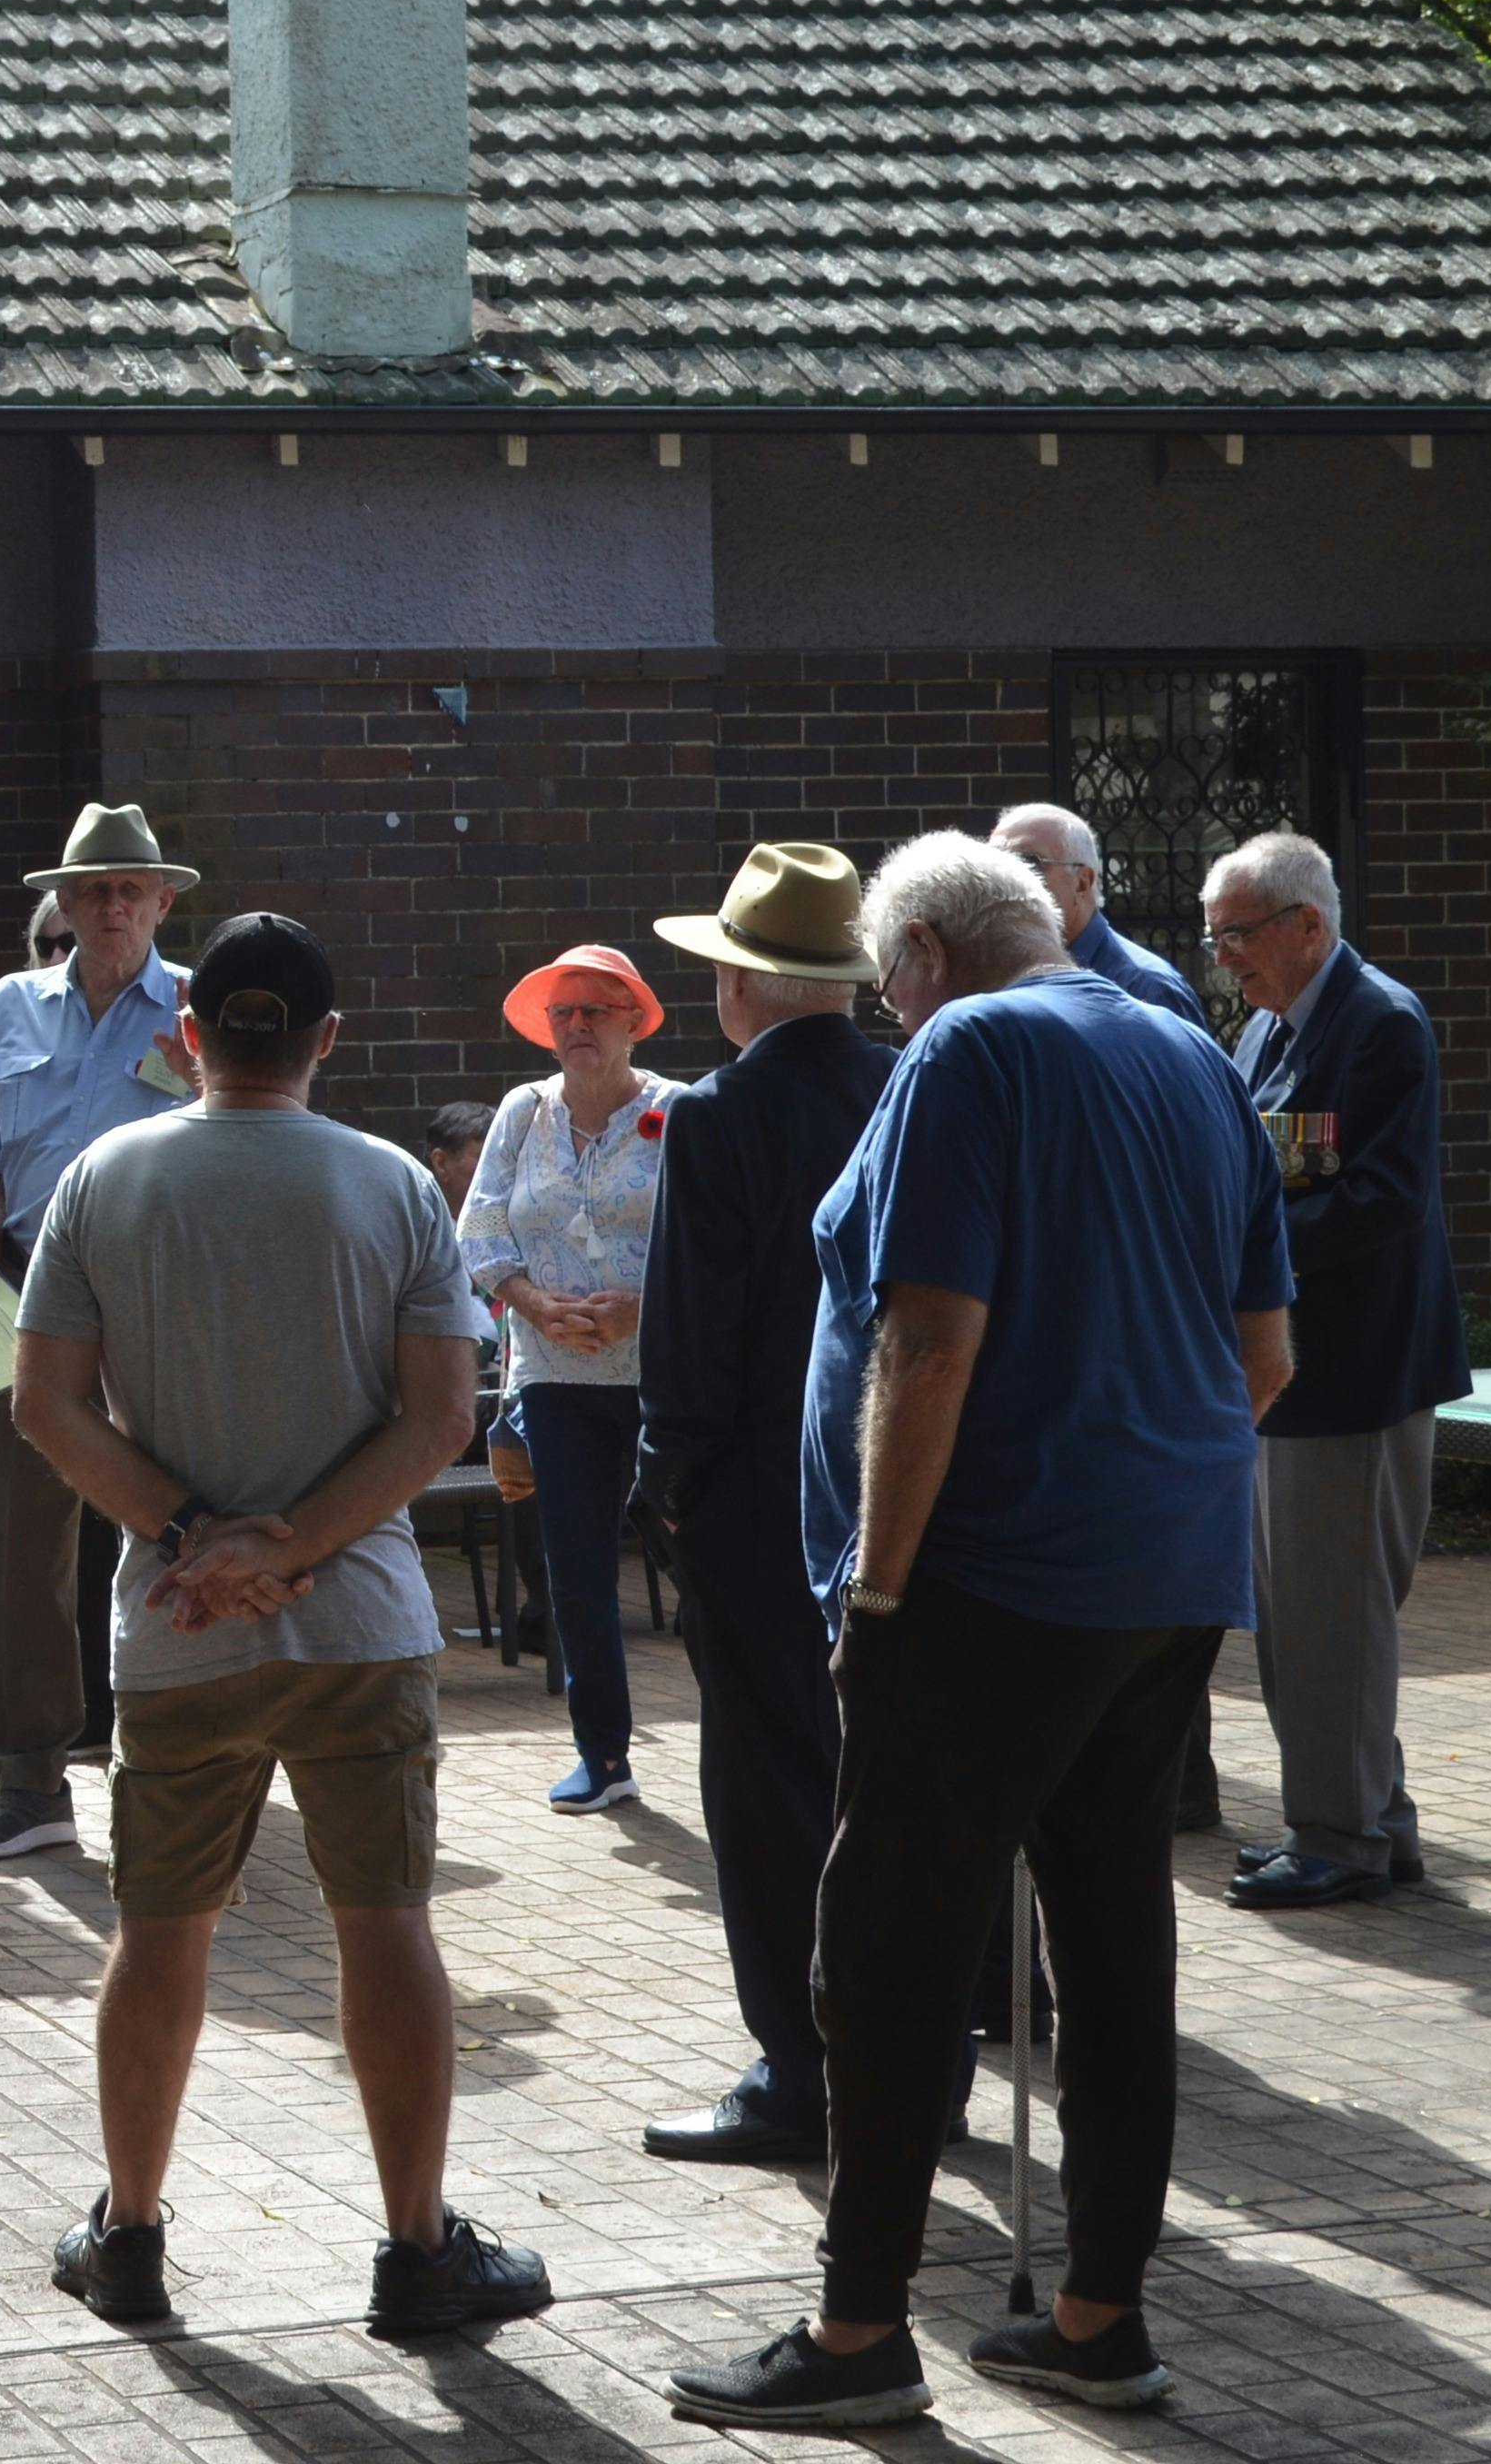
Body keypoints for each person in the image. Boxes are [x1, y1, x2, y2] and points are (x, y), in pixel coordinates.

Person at [666, 835, 1291, 2431]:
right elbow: (1262, 1352)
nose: (886, 1006)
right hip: (1163, 1567)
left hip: (991, 1575)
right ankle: (1096, 2314)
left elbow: (928, 1335)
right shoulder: (1187, 1051)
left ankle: (858, 2329)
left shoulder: (965, 1042)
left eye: (886, 980)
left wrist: (876, 1588)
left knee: (884, 1946)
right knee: (1109, 1937)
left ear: (927, 953)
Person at [16, 914, 550, 2343]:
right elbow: (443, 1414)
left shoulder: (101, 1177)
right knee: (384, 1924)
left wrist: (199, 1543)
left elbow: (45, 1406)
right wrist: (294, 1548)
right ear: (326, 1039)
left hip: (178, 1622)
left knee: (156, 1932)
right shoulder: (388, 1184)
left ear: (188, 1038)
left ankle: (128, 2235)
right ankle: (417, 2249)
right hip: (359, 1618)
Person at [629, 844, 893, 2164]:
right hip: (907, 1482)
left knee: (769, 1782)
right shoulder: (911, 1089)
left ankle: (801, 2068)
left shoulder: (720, 1115)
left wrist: (666, 1481)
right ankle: (917, 2051)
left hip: (755, 1497)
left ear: (740, 982)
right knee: (894, 1776)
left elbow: (691, 1332)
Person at [1208, 830, 1467, 1911]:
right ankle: (1376, 1823)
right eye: (1215, 937)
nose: (1222, 958)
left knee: (1330, 1622)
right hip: (1294, 1376)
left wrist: (1242, 1255)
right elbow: (1272, 1163)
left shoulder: (1379, 1025)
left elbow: (1380, 1200)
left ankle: (1339, 1838)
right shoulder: (1270, 1026)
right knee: (1307, 1618)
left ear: (1305, 925)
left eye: (1238, 935)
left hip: (1353, 1376)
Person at [0, 806, 197, 1863]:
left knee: (178, 1528)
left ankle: (187, 1768)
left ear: (162, 900)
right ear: (64, 901)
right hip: (28, 1292)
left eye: (128, 888)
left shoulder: (195, 1008)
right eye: (91, 889)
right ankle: (30, 1787)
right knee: (23, 1553)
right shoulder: (9, 1005)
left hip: (160, 1296)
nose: (109, 905)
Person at [455, 941, 681, 1816]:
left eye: (597, 1009)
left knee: (696, 1560)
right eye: (565, 1012)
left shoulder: (680, 1111)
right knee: (577, 1570)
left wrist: (645, 1306)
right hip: (551, 1373)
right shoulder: (521, 1111)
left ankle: (747, 1742)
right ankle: (604, 1755)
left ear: (634, 1020)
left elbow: (714, 1245)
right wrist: (534, 1306)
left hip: (659, 1371)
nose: (579, 1024)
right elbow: (479, 1235)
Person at [993, 802, 1204, 1028]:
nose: (1007, 879)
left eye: (1028, 863)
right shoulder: (996, 979)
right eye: (995, 864)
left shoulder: (1145, 988)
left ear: (1083, 882)